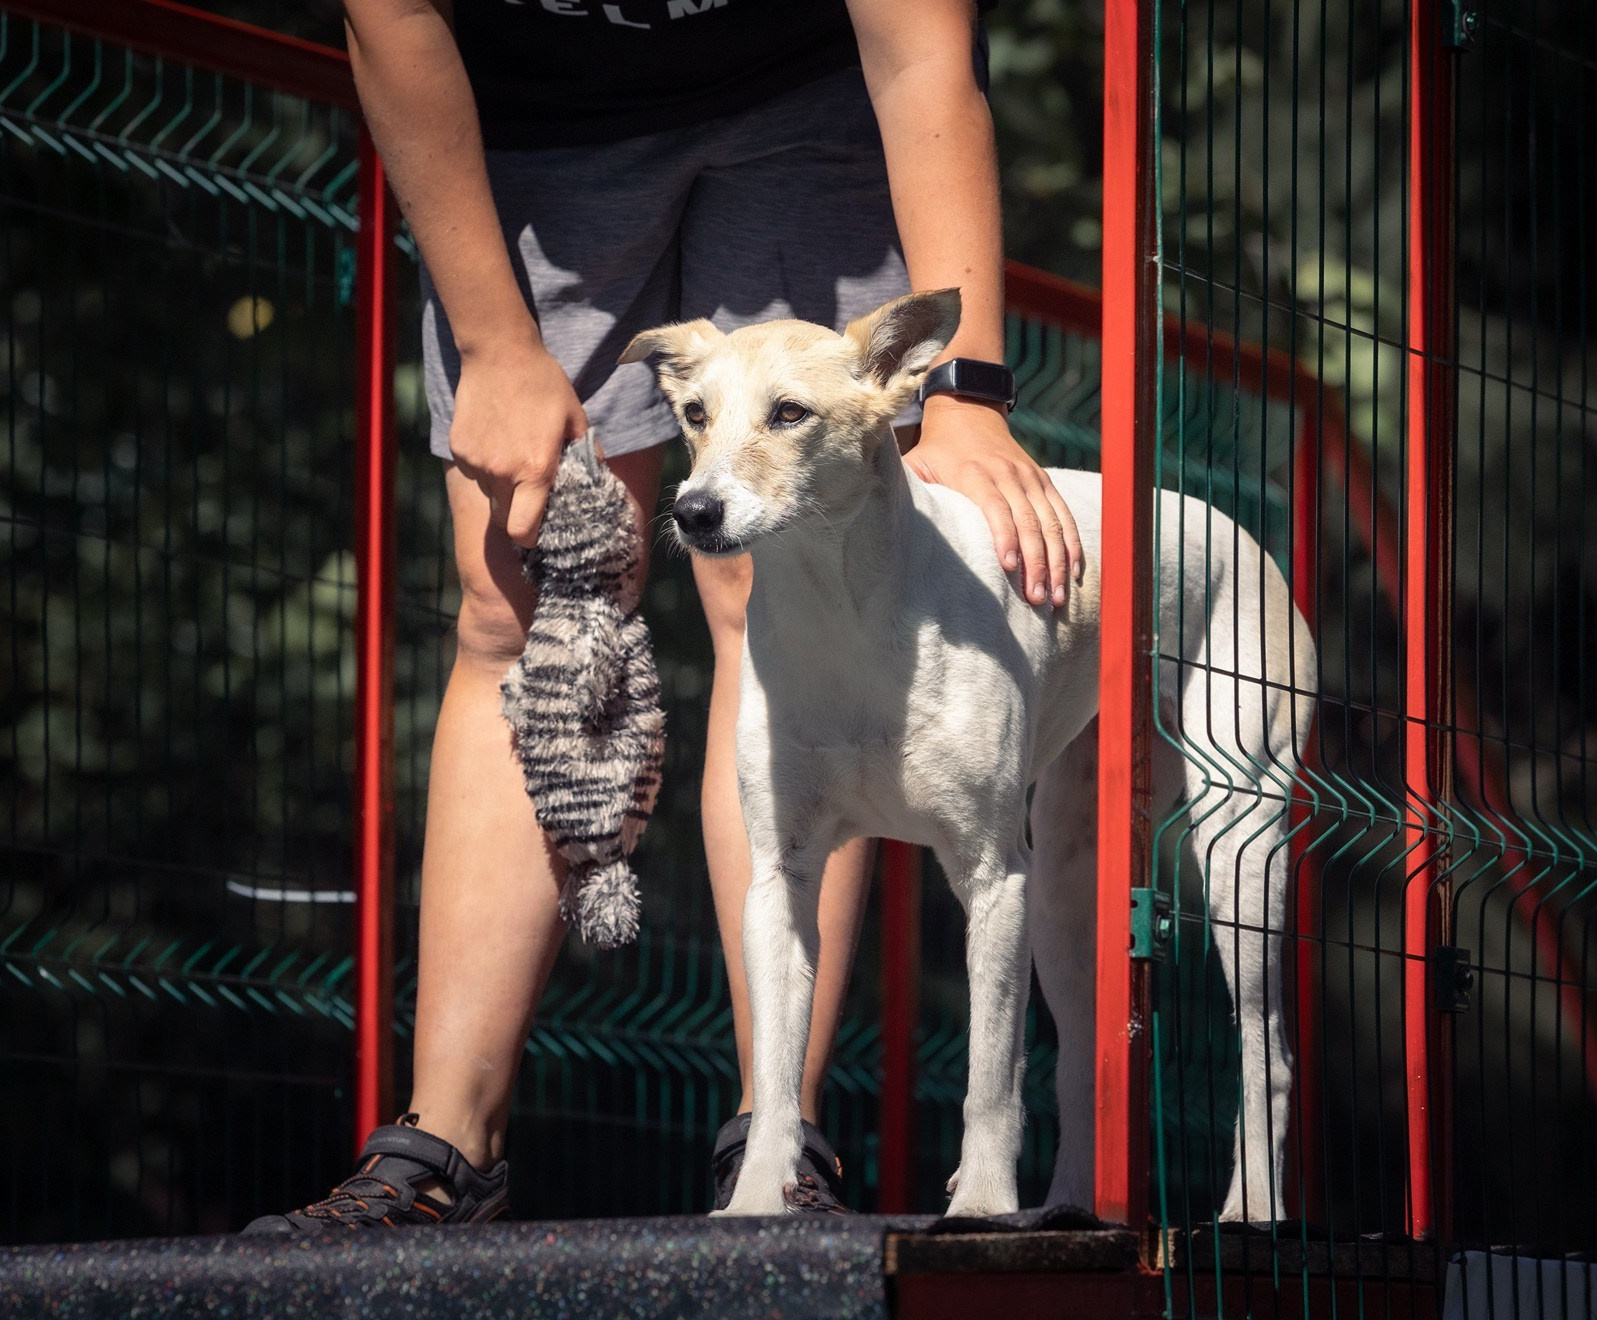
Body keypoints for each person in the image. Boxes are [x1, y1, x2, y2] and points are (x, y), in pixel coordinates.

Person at [245, 0, 1082, 1231]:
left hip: (811, 102)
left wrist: (964, 397)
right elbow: (390, 18)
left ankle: (776, 1141)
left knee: (772, 582)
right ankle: (443, 1149)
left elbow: (920, 52)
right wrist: (490, 338)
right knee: (516, 595)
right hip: (541, 130)